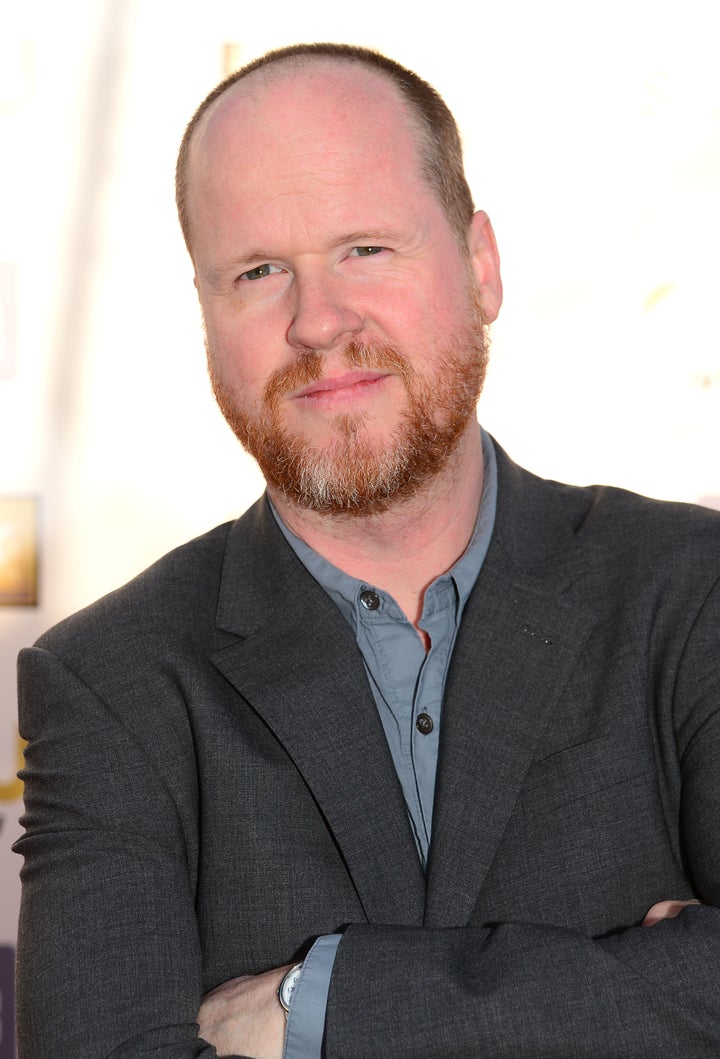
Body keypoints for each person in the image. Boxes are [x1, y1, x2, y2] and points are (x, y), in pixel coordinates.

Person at [14, 42, 720, 1059]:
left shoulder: (690, 593)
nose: (318, 321)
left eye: (366, 250)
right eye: (258, 271)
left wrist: (325, 1005)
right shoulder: (110, 683)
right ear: (207, 318)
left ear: (481, 266)